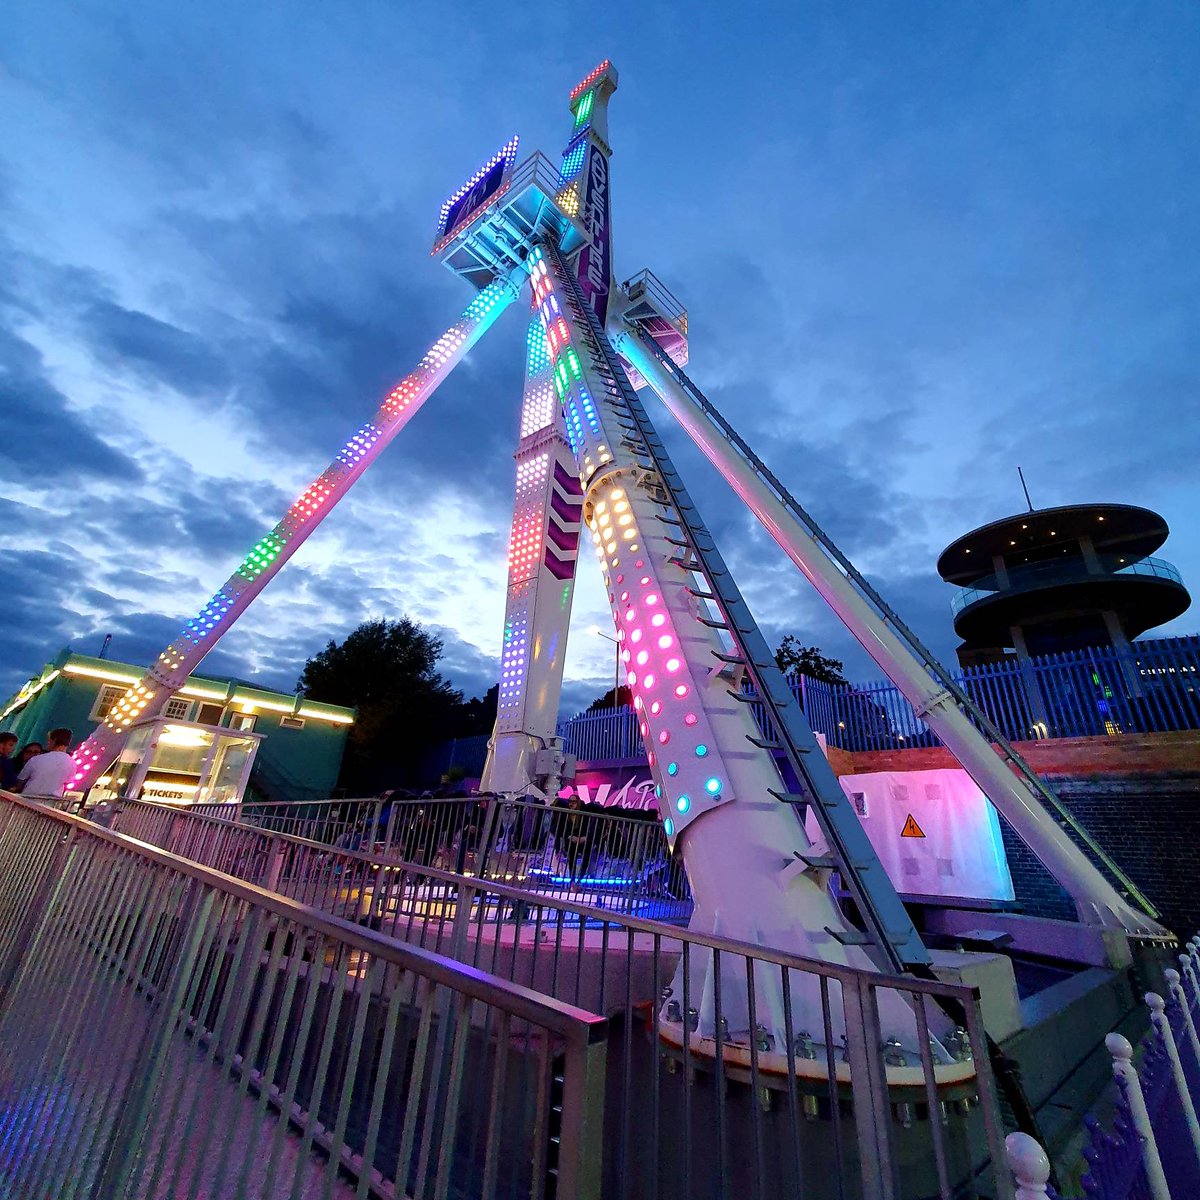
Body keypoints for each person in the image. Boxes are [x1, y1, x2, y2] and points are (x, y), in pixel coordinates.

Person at [14, 728, 76, 799]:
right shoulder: (72, 763)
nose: (48, 743)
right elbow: (67, 783)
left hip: (27, 801)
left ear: (54, 740)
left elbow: (20, 782)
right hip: (51, 804)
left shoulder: (36, 759)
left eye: (49, 740)